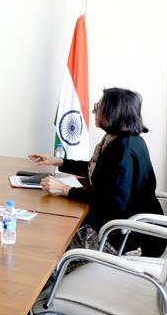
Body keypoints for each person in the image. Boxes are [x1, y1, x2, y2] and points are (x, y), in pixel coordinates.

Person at [29, 87, 165, 256]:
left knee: (53, 250)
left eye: (98, 106)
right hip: (123, 225)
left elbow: (110, 205)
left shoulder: (124, 150)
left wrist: (65, 189)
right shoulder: (120, 139)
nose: (94, 111)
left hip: (128, 236)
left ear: (113, 112)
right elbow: (100, 170)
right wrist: (59, 161)